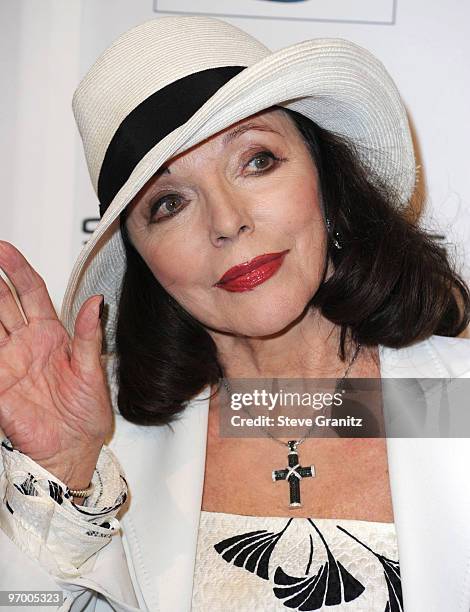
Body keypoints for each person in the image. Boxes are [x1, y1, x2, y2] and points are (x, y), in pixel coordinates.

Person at [1, 14, 470, 612]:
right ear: (140, 257)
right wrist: (63, 480)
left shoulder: (459, 399)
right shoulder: (102, 445)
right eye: (169, 203)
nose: (227, 222)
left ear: (324, 175)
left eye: (257, 161)